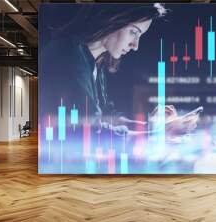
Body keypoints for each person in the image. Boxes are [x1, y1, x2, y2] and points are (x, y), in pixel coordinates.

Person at [39, 3, 198, 137]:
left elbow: (106, 118)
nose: (135, 46)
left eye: (139, 36)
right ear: (112, 18)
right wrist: (159, 133)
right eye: (134, 32)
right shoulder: (68, 58)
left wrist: (151, 126)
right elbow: (93, 135)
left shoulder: (94, 62)